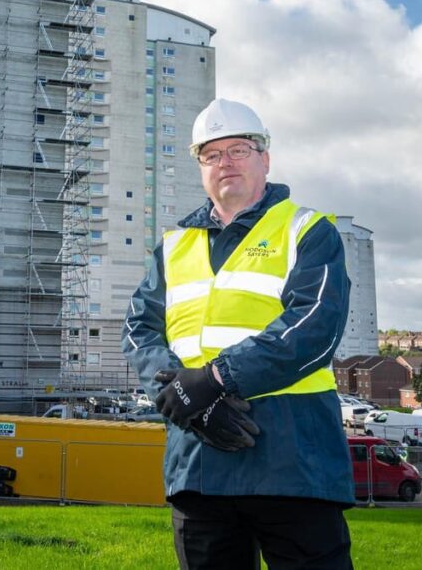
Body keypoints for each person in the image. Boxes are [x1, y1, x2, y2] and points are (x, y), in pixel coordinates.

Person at [122, 99, 355, 569]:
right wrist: (183, 399)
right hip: (199, 462)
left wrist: (214, 379)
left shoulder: (307, 230)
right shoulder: (173, 246)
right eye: (212, 154)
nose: (225, 162)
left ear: (265, 159)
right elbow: (138, 331)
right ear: (200, 167)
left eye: (239, 150)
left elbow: (314, 325)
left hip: (293, 459)